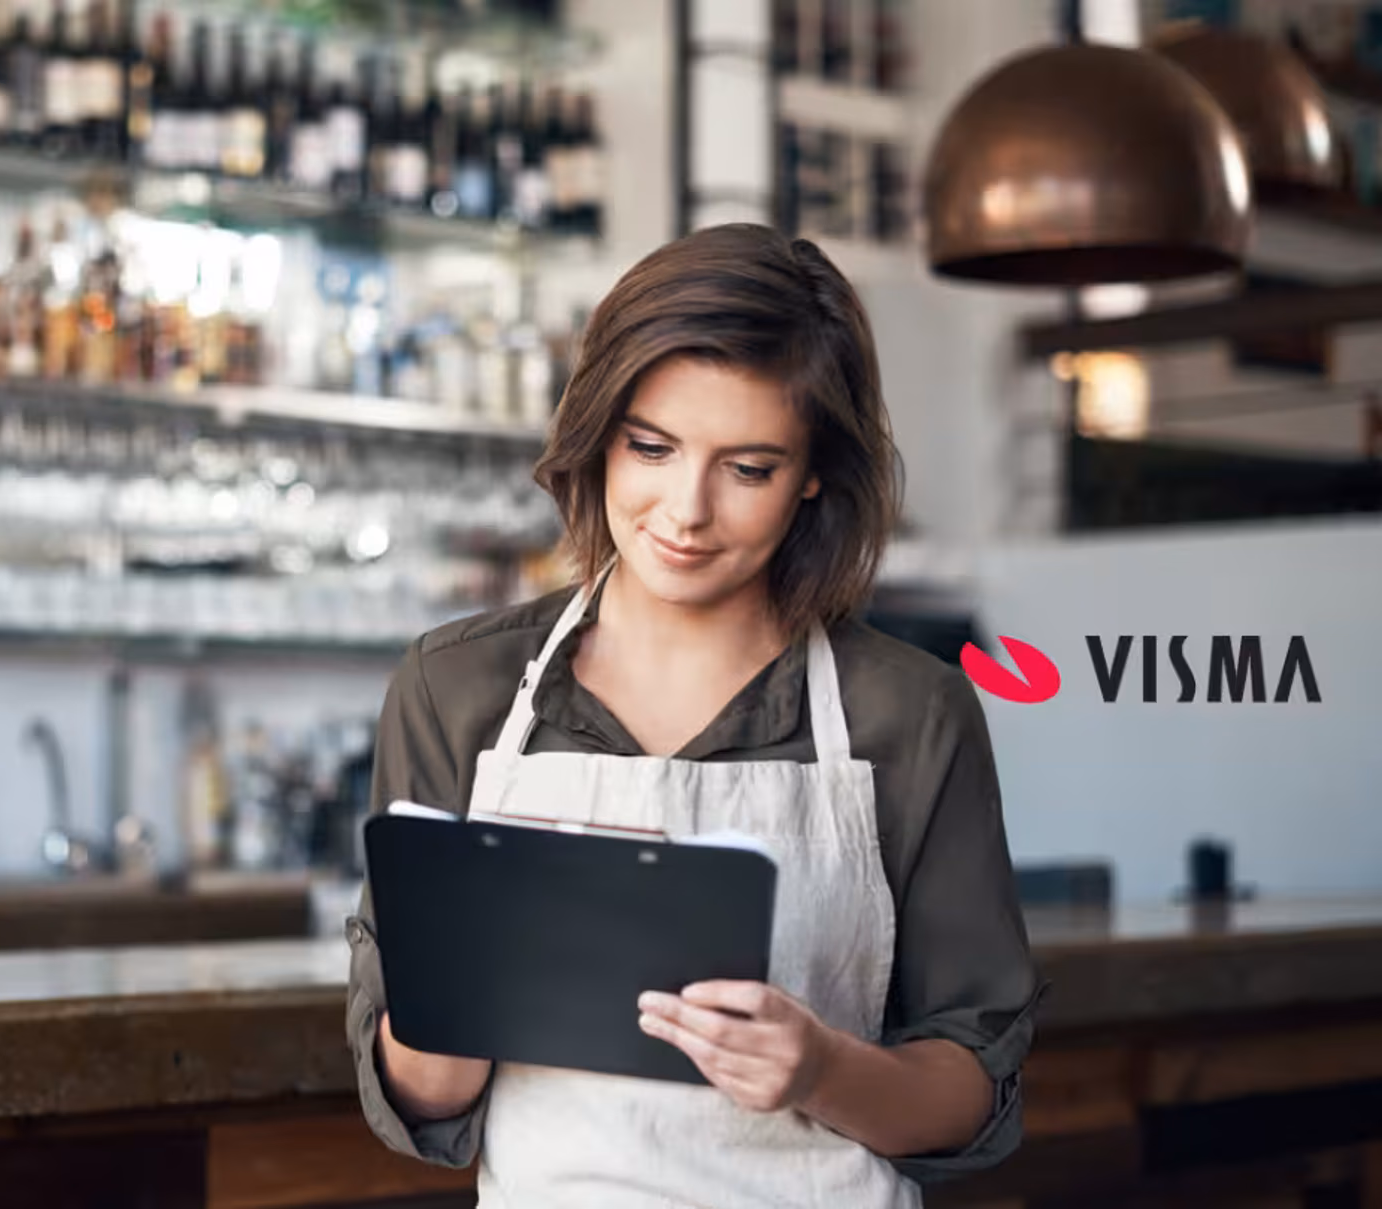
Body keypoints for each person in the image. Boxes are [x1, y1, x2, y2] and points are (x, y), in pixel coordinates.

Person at [343, 223, 1045, 1207]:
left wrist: (820, 1072)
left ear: (813, 478)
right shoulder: (458, 689)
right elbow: (419, 1101)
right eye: (652, 447)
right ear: (599, 432)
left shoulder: (910, 712)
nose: (685, 509)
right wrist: (453, 1008)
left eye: (748, 468)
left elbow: (973, 1090)